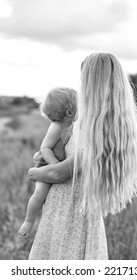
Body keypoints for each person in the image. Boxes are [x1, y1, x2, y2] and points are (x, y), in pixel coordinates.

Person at [28, 52, 137, 259]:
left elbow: (59, 174)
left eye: (84, 78)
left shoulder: (96, 130)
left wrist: (35, 172)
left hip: (71, 216)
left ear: (93, 83)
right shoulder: (99, 124)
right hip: (68, 212)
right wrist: (46, 159)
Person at [18, 87, 77, 238]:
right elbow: (45, 148)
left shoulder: (71, 125)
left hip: (57, 165)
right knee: (40, 193)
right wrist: (54, 165)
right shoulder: (57, 126)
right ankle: (28, 221)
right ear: (69, 113)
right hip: (46, 164)